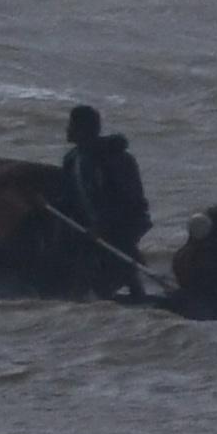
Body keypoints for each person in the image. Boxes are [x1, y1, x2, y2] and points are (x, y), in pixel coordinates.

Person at [60, 104, 152, 296]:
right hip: (89, 228)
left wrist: (104, 226)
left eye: (72, 125)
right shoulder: (72, 159)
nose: (67, 129)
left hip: (123, 225)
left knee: (124, 265)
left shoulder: (117, 159)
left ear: (84, 129)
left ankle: (138, 299)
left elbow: (130, 200)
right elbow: (70, 196)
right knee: (86, 274)